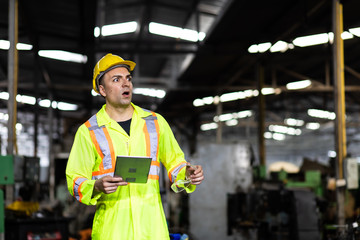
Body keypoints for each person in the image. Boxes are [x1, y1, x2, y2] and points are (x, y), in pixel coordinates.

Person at [66, 53, 204, 239]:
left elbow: (176, 163)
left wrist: (187, 173)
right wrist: (96, 185)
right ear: (102, 90)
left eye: (128, 78)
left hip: (152, 230)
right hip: (113, 231)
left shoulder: (155, 122)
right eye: (116, 79)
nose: (126, 84)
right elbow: (74, 180)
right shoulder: (89, 131)